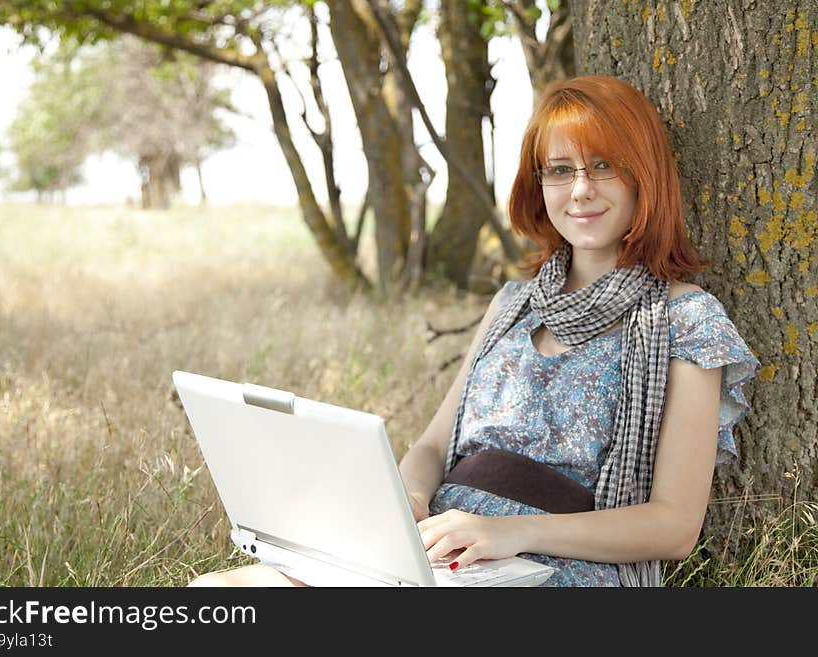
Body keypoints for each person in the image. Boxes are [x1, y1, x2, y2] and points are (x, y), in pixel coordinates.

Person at [188, 75, 760, 587]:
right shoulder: (513, 302)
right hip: (439, 547)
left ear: (645, 177)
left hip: (556, 565)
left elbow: (674, 527)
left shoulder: (685, 319)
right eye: (561, 170)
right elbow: (436, 444)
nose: (580, 189)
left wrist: (509, 532)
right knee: (220, 595)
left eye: (603, 166)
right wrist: (406, 500)